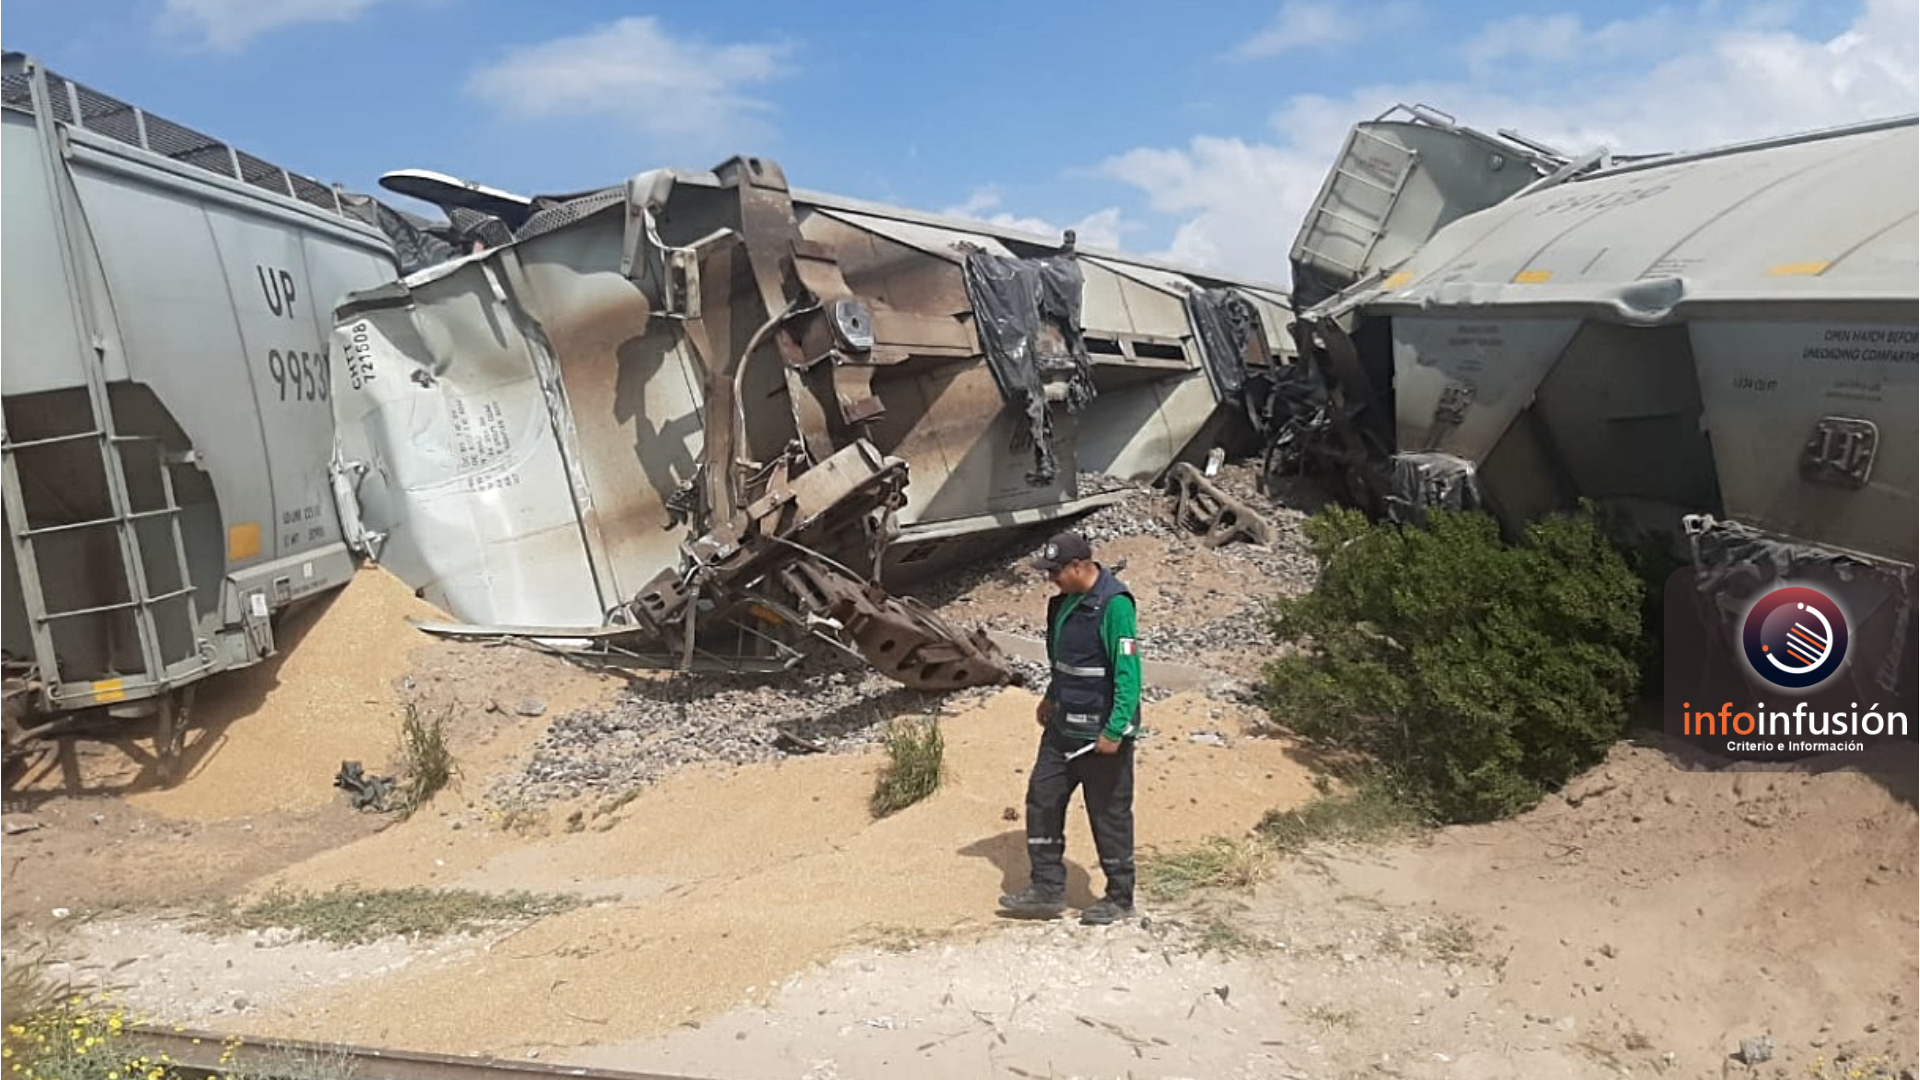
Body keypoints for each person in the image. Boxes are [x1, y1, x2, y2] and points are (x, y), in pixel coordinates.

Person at [998, 530, 1142, 925]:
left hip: (1101, 738)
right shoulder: (1062, 605)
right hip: (1062, 728)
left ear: (1079, 567)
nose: (1051, 579)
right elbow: (1067, 663)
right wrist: (1051, 696)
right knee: (1042, 799)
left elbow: (1128, 676)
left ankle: (1119, 897)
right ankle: (1046, 889)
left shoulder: (1115, 606)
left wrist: (1114, 731)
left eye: (1056, 571)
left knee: (1109, 815)